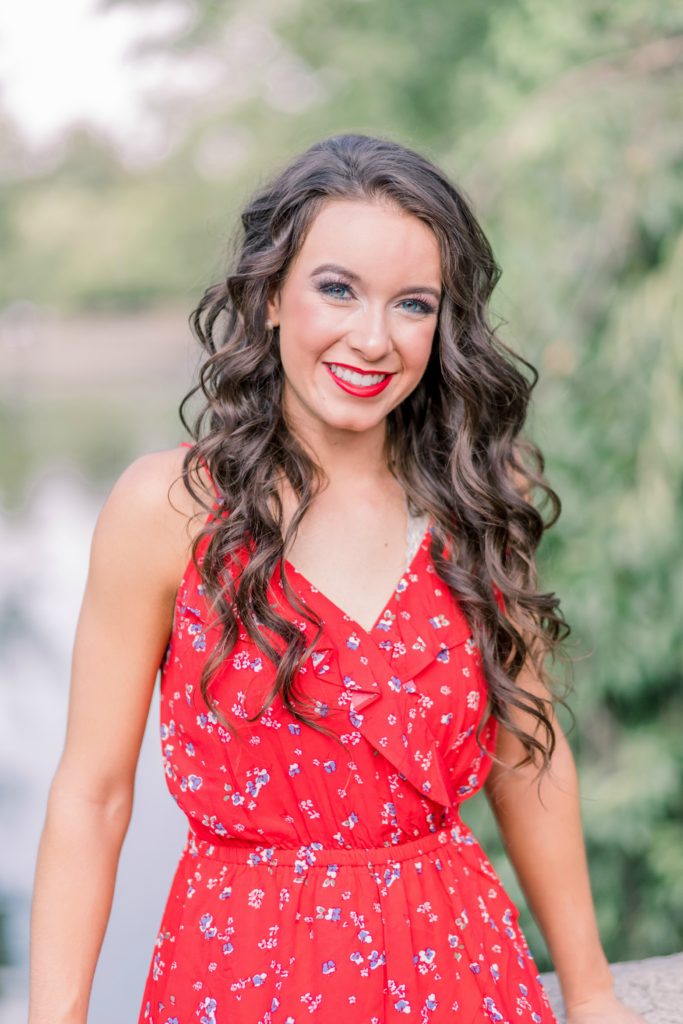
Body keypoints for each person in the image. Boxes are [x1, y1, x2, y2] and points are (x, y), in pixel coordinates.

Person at [28, 133, 645, 1024]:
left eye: (413, 304)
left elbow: (526, 758)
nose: (373, 338)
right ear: (270, 295)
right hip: (240, 978)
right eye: (337, 289)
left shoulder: (476, 498)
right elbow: (93, 797)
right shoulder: (170, 508)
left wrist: (589, 994)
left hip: (460, 972)